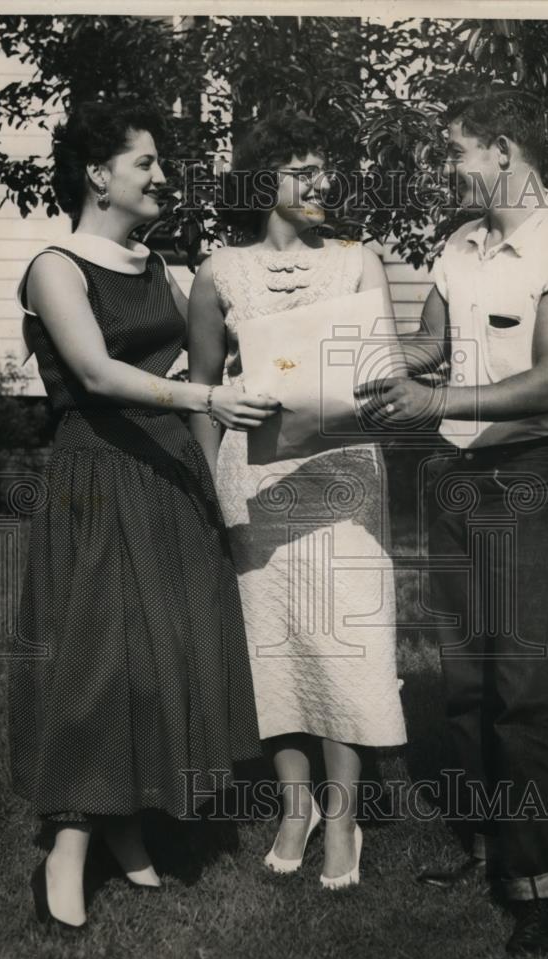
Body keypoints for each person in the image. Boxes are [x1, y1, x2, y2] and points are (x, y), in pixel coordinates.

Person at [8, 99, 279, 929]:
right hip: (99, 474)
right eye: (146, 163)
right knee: (99, 655)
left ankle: (128, 822)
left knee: (160, 652)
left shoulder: (159, 265)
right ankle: (70, 841)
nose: (162, 176)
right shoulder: (55, 264)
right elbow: (92, 373)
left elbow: (191, 379)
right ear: (99, 175)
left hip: (166, 474)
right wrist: (206, 394)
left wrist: (219, 488)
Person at [375, 90, 548, 954]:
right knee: (468, 681)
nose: (445, 167)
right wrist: (327, 338)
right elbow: (426, 350)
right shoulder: (458, 245)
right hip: (452, 476)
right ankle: (484, 846)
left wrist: (431, 397)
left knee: (524, 688)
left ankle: (539, 883)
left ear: (503, 149)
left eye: (455, 150)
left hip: (525, 479)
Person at [187, 111, 407, 889]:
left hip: (342, 473)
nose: (321, 184)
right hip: (254, 477)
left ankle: (343, 817)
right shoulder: (218, 270)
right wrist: (213, 473)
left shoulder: (357, 259)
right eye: (300, 170)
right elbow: (201, 389)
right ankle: (294, 805)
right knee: (270, 638)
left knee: (343, 638)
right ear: (260, 182)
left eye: (324, 169)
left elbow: (383, 373)